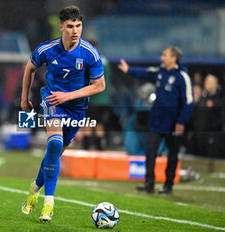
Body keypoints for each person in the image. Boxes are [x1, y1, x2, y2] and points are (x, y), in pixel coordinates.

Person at [20, 6, 105, 222]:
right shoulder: (47, 49)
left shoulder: (89, 53)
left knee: (54, 153)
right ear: (61, 27)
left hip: (76, 108)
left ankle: (35, 187)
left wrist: (68, 96)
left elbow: (99, 86)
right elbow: (29, 67)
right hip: (51, 101)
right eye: (70, 26)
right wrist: (24, 99)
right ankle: (49, 203)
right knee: (55, 144)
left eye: (78, 26)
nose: (75, 30)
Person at [118, 46, 194, 194]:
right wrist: (128, 70)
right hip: (156, 121)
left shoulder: (182, 77)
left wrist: (181, 122)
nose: (161, 58)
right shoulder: (160, 72)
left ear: (174, 58)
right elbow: (145, 73)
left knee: (172, 154)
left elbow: (189, 102)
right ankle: (149, 182)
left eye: (164, 55)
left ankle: (168, 184)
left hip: (173, 123)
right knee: (150, 151)